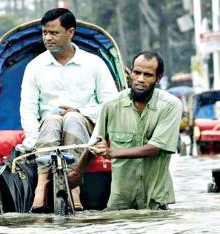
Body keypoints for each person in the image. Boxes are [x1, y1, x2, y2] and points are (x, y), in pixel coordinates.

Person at [19, 8, 118, 211]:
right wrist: (33, 138)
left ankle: (74, 186)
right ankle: (42, 184)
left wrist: (80, 111)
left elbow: (111, 105)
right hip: (48, 130)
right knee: (52, 119)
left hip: (87, 128)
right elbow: (28, 109)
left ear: (70, 32)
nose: (47, 38)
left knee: (72, 118)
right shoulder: (35, 67)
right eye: (45, 33)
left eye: (54, 33)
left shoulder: (94, 63)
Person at [69, 51, 182, 211]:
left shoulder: (170, 106)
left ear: (158, 78)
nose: (140, 79)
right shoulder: (111, 105)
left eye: (148, 75)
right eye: (137, 72)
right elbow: (94, 144)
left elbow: (155, 148)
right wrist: (77, 174)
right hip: (120, 201)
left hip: (155, 200)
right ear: (130, 73)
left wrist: (113, 153)